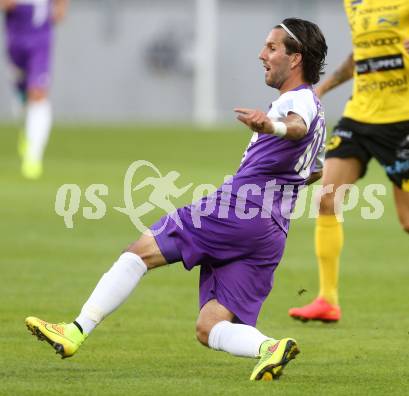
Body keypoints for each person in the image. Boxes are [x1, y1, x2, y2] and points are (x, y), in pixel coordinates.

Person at [25, 18, 328, 381]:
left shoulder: (296, 102)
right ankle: (269, 348)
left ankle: (75, 330)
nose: (262, 54)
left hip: (237, 208)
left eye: (272, 48)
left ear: (295, 59)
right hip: (271, 230)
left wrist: (272, 127)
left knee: (139, 251)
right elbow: (314, 170)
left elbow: (296, 128)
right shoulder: (318, 109)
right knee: (209, 326)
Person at [289, 0, 409, 323]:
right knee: (327, 199)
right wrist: (321, 90)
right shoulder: (354, 4)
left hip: (402, 123)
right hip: (359, 117)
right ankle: (327, 300)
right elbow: (361, 56)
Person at [1, 0, 68, 179]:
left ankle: (33, 156)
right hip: (16, 37)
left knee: (38, 93)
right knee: (22, 96)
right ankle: (25, 127)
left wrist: (61, 6)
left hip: (40, 37)